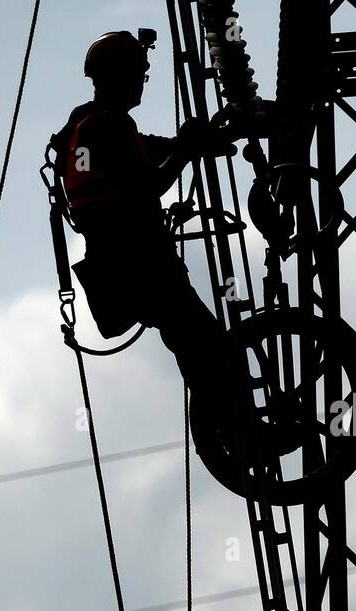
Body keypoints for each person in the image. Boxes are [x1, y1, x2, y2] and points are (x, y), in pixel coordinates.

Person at [54, 30, 230, 392]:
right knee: (210, 345)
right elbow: (147, 185)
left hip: (119, 267)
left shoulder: (88, 125)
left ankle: (223, 430)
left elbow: (153, 149)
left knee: (194, 349)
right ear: (115, 75)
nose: (141, 83)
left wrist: (196, 143)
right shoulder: (106, 126)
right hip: (141, 264)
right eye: (137, 73)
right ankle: (237, 427)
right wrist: (187, 151)